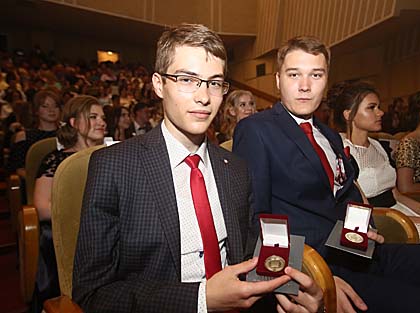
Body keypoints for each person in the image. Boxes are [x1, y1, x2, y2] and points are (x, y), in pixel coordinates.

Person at [72, 24, 323, 313]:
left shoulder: (236, 169)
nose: (204, 97)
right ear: (158, 84)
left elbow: (253, 253)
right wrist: (201, 299)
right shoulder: (115, 167)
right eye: (187, 80)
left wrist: (290, 290)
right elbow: (92, 294)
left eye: (214, 83)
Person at [233, 35, 420, 313]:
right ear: (277, 80)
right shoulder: (257, 130)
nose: (305, 86)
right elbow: (255, 218)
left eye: (316, 75)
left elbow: (345, 195)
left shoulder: (329, 135)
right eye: (294, 74)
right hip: (318, 267)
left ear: (326, 80)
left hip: (359, 251)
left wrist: (362, 230)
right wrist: (310, 281)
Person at [328, 80, 420, 245]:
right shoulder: (341, 151)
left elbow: (396, 194)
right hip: (386, 225)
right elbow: (366, 215)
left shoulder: (377, 145)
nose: (380, 113)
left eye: (378, 107)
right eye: (371, 108)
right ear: (348, 114)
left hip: (402, 214)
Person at [32, 95, 106, 312]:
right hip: (68, 234)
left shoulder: (111, 158)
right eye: (92, 117)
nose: (101, 122)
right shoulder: (55, 160)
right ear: (73, 123)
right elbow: (42, 208)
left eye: (102, 117)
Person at [7, 89, 61, 177]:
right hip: (33, 183)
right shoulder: (24, 137)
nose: (51, 110)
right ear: (36, 110)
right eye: (45, 106)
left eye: (55, 106)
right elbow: (18, 169)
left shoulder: (68, 135)